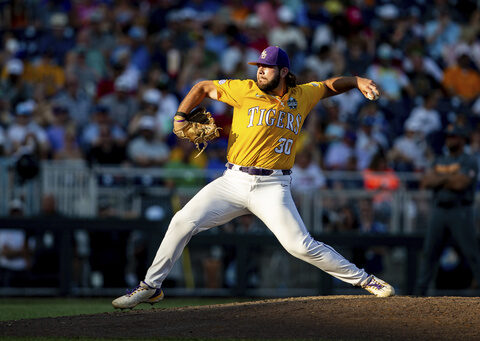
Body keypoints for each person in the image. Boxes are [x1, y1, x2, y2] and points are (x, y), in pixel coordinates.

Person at [112, 46, 394, 309]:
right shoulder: (243, 89)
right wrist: (180, 116)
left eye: (267, 67)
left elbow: (329, 86)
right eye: (259, 66)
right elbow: (202, 87)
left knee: (299, 245)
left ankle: (365, 280)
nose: (260, 70)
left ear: (283, 72)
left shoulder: (302, 95)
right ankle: (151, 285)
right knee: (182, 221)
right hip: (232, 181)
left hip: (273, 186)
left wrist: (357, 80)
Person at [416, 125, 480, 296]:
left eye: (453, 136)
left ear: (461, 139)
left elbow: (461, 183)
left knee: (472, 254)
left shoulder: (469, 160)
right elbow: (426, 181)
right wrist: (449, 178)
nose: (450, 139)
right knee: (429, 253)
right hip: (439, 211)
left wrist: (440, 178)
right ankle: (419, 295)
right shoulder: (439, 159)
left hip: (461, 211)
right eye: (448, 136)